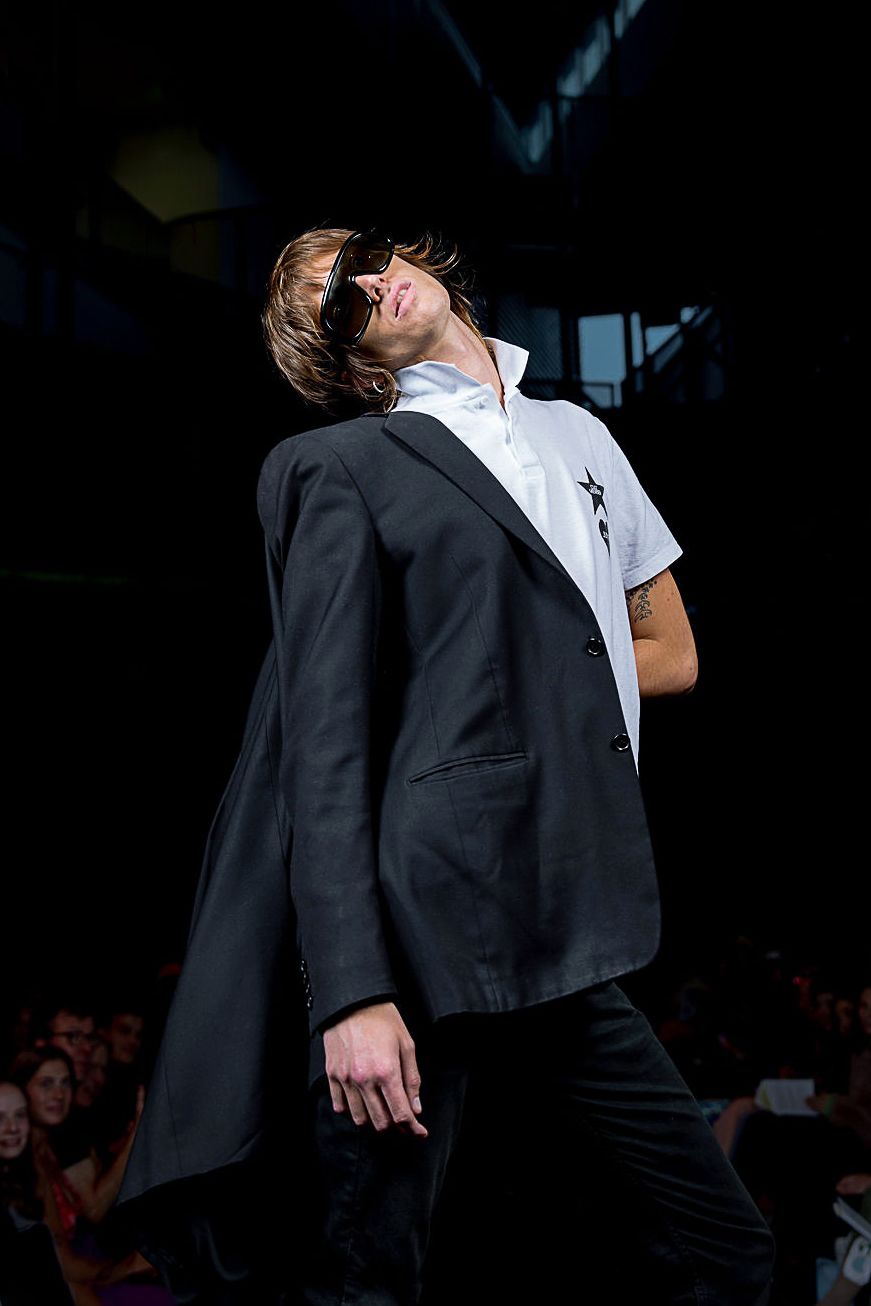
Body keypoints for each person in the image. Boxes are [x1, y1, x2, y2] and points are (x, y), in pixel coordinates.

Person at [115, 226, 776, 1304]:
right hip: (422, 932)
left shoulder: (580, 437)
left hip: (565, 913)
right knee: (369, 1272)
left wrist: (539, 670)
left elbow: (673, 655)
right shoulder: (339, 465)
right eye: (339, 306)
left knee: (724, 1251)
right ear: (346, 362)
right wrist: (351, 994)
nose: (372, 285)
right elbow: (322, 744)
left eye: (366, 255)